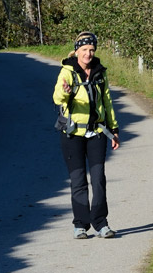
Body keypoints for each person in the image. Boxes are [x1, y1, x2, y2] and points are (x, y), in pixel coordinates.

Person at [53, 31, 120, 239]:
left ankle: (101, 223)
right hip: (72, 134)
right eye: (84, 50)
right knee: (78, 180)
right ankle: (80, 224)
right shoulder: (67, 71)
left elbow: (107, 102)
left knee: (98, 179)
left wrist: (114, 129)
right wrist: (66, 91)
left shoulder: (100, 72)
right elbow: (57, 97)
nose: (88, 54)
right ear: (77, 50)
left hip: (97, 132)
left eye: (91, 50)